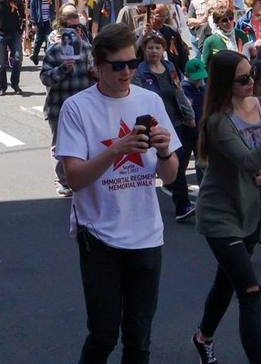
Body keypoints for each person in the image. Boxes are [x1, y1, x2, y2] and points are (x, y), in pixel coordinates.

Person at [55, 22, 180, 364]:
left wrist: (166, 152)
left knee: (139, 341)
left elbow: (169, 178)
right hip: (99, 237)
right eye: (118, 65)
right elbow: (75, 178)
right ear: (98, 65)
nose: (127, 71)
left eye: (132, 63)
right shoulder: (77, 108)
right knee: (104, 335)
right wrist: (117, 150)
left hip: (147, 236)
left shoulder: (150, 101)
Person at [191, 50, 261, 364]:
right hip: (219, 215)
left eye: (251, 75)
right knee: (250, 290)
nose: (252, 82)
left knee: (226, 282)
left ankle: (203, 337)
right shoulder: (218, 122)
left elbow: (258, 158)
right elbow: (250, 158)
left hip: (252, 211)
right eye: (243, 79)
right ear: (225, 83)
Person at [134, 30, 197, 222]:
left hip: (174, 121)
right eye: (150, 47)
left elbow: (179, 93)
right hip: (154, 125)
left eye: (157, 47)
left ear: (163, 50)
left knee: (179, 159)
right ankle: (178, 204)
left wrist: (189, 115)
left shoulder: (169, 67)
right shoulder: (139, 72)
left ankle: (177, 195)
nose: (154, 51)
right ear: (143, 50)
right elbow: (137, 99)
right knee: (160, 162)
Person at [42, 6, 95, 198]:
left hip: (83, 104)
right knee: (60, 144)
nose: (74, 33)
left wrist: (95, 74)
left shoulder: (87, 49)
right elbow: (45, 78)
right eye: (69, 29)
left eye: (77, 29)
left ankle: (82, 176)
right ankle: (62, 181)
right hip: (59, 104)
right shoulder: (54, 50)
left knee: (85, 141)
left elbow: (93, 74)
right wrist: (63, 69)